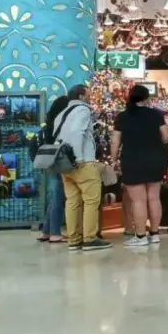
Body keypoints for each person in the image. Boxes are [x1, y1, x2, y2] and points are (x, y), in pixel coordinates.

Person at [110, 85, 168, 248]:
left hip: (132, 159)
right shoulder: (156, 115)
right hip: (155, 159)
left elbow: (115, 140)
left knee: (138, 200)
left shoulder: (122, 117)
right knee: (154, 198)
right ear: (146, 98)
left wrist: (113, 159)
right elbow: (165, 136)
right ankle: (155, 234)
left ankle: (141, 236)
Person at [54, 85, 110, 251]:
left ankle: (74, 239)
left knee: (72, 201)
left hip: (64, 163)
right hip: (82, 161)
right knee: (91, 201)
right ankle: (90, 238)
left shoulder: (61, 114)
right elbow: (77, 132)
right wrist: (77, 158)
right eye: (88, 94)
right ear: (81, 96)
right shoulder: (82, 110)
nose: (90, 97)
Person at [38, 94, 69, 244]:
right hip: (58, 161)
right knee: (58, 197)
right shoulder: (59, 123)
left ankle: (46, 231)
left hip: (48, 161)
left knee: (54, 197)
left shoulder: (48, 123)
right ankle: (55, 233)